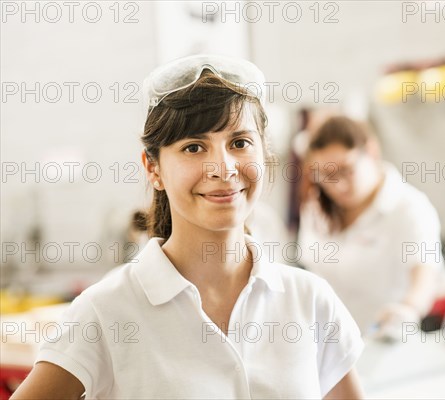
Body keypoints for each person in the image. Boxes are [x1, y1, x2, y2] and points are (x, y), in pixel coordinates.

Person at [12, 55, 364, 399]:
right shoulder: (106, 311)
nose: (223, 168)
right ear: (153, 169)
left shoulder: (310, 299)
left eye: (239, 143)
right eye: (194, 147)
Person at [297, 116, 443, 336]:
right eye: (326, 175)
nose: (338, 185)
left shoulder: (408, 208)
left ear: (371, 152)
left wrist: (408, 309)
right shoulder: (316, 209)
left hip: (383, 342)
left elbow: (424, 274)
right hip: (326, 343)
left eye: (346, 170)